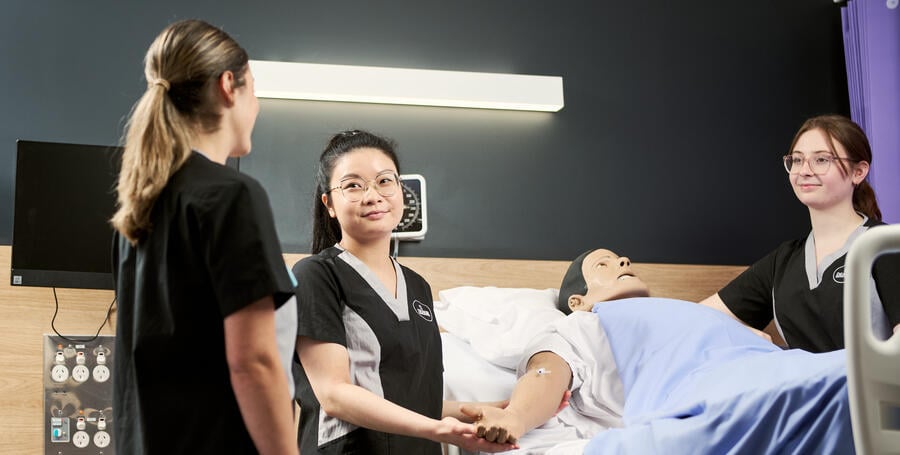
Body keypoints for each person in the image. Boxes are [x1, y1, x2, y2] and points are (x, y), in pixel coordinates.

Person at [110, 20, 298, 455]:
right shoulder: (232, 196)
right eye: (255, 89)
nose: (258, 105)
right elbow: (253, 362)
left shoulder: (139, 208)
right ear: (229, 86)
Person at [460, 248, 854, 454]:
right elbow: (546, 374)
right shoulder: (583, 323)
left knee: (852, 374)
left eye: (620, 258)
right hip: (733, 395)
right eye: (604, 264)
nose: (624, 261)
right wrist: (515, 417)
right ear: (578, 300)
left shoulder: (688, 313)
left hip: (789, 369)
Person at [292, 130, 516, 454]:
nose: (372, 194)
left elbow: (414, 402)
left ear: (400, 189)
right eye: (353, 185)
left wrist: (490, 409)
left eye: (385, 181)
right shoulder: (317, 275)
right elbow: (334, 394)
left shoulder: (418, 287)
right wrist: (438, 430)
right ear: (328, 203)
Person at [699, 114, 900, 353]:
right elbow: (698, 318)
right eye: (796, 160)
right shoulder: (782, 261)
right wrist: (744, 336)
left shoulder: (885, 246)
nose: (804, 171)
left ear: (859, 172)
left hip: (866, 388)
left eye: (821, 160)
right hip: (804, 388)